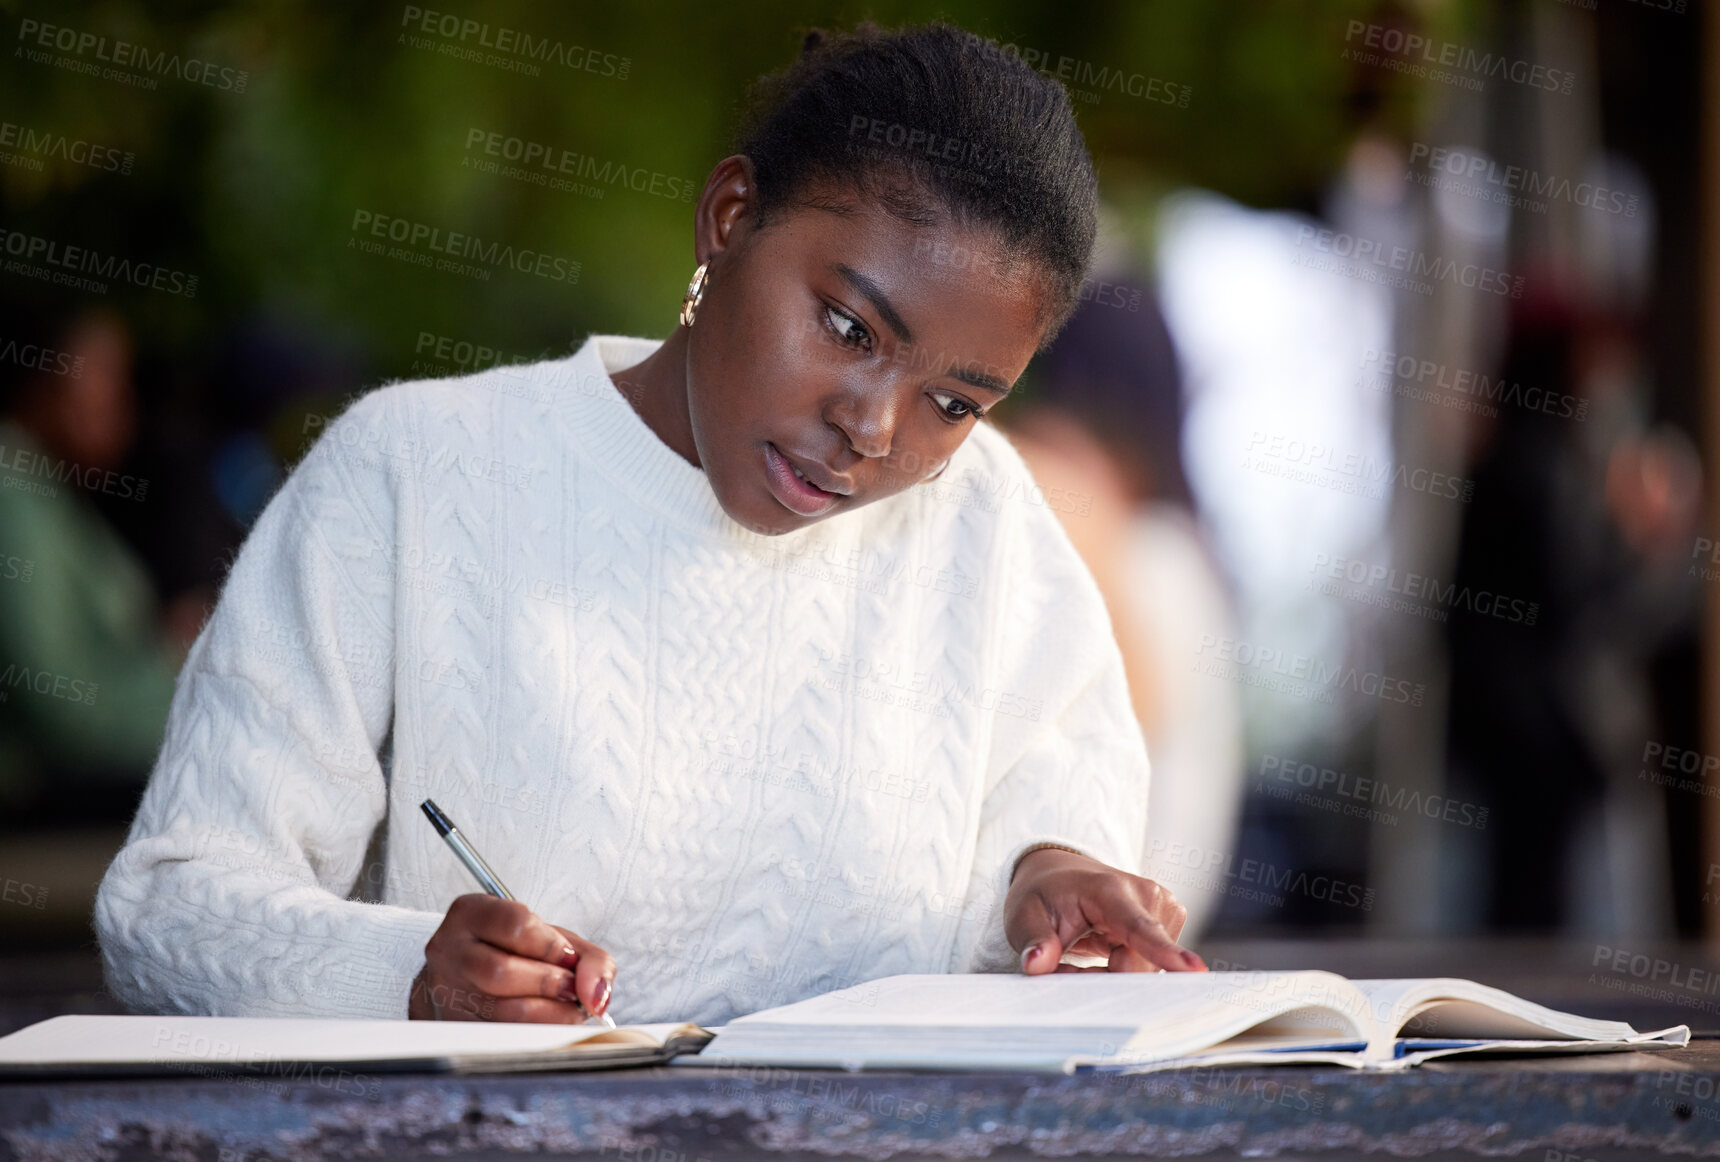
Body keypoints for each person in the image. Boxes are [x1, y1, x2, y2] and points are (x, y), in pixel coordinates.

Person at [94, 21, 1206, 1029]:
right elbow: (170, 906)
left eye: (955, 402)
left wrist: (1045, 883)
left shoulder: (988, 526)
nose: (873, 428)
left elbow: (1051, 830)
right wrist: (409, 976)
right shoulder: (414, 476)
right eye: (846, 324)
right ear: (727, 220)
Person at [999, 277, 1245, 941]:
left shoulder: (1121, 539)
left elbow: (1109, 733)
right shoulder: (1180, 546)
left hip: (1116, 904)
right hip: (1162, 905)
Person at [0, 303, 201, 825]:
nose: (121, 399)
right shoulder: (13, 498)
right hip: (46, 803)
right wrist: (188, 673)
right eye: (105, 376)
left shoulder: (42, 490)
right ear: (43, 380)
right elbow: (64, 712)